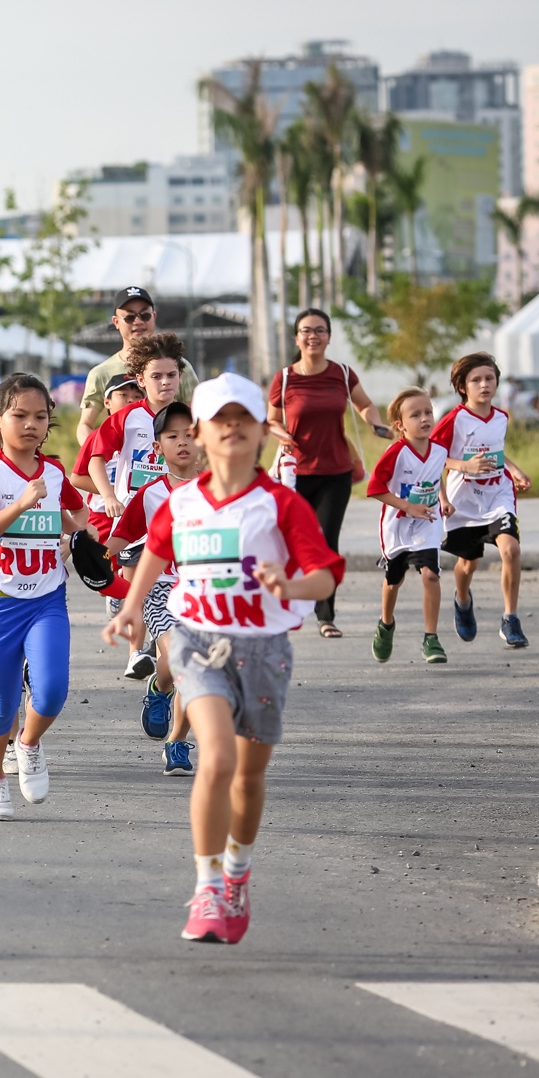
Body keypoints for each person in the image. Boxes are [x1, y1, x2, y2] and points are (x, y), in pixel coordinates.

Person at [104, 373, 343, 945]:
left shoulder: (279, 503)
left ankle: (237, 871)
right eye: (220, 420)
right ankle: (208, 886)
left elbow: (325, 573)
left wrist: (290, 584)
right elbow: (155, 555)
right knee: (214, 759)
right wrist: (131, 608)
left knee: (248, 775)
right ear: (202, 434)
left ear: (262, 431)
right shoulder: (180, 502)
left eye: (243, 418)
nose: (232, 427)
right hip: (197, 640)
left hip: (262, 649)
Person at [0, 373, 89, 822]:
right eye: (19, 415)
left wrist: (74, 530)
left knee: (50, 692)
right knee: (0, 704)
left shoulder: (53, 470)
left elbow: (77, 510)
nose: (30, 424)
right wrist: (21, 505)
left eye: (40, 417)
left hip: (47, 598)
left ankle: (28, 743)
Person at [266, 307, 388, 638]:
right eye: (306, 330)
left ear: (329, 337)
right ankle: (285, 605)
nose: (313, 336)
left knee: (327, 541)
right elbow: (272, 420)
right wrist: (282, 436)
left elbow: (364, 404)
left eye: (320, 330)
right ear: (297, 337)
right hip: (296, 474)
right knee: (288, 541)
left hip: (335, 471)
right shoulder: (285, 378)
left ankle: (326, 615)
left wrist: (375, 423)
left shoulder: (343, 373)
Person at [75, 333, 186, 678]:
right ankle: (139, 652)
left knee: (169, 592)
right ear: (141, 380)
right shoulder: (126, 418)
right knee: (138, 584)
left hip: (178, 520)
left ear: (180, 376)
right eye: (156, 376)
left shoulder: (189, 419)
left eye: (171, 375)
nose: (164, 382)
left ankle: (159, 647)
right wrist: (108, 495)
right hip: (136, 518)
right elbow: (94, 459)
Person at [106, 400, 204, 774]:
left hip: (206, 594)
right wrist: (83, 555)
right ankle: (166, 703)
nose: (182, 442)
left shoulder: (220, 491)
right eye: (172, 436)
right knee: (181, 657)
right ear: (157, 447)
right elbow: (116, 543)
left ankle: (175, 738)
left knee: (185, 667)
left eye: (189, 434)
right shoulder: (149, 495)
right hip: (163, 590)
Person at [437, 351, 532, 648]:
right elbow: (432, 458)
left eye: (489, 378)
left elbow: (497, 451)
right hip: (462, 503)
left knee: (511, 549)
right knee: (468, 563)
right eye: (476, 380)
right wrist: (459, 473)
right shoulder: (454, 419)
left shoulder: (501, 417)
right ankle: (462, 600)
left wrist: (514, 469)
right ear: (463, 386)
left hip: (497, 496)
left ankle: (510, 617)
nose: (484, 385)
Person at [368, 388, 451, 666]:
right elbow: (375, 488)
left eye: (428, 412)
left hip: (427, 523)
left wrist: (444, 499)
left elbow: (434, 476)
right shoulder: (396, 453)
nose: (425, 418)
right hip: (398, 527)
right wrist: (407, 506)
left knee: (430, 575)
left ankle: (431, 637)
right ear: (401, 425)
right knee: (395, 580)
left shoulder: (439, 450)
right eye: (415, 415)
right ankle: (386, 624)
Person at [77, 288, 199, 443]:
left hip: (169, 460)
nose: (138, 321)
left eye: (145, 315)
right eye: (129, 317)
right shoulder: (101, 373)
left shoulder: (180, 366)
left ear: (154, 317)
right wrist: (100, 456)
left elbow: (196, 417)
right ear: (116, 322)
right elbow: (85, 425)